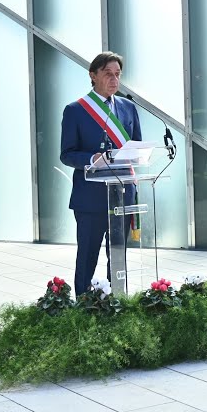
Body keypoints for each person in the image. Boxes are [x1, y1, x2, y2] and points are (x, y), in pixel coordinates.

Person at [60, 51, 143, 294]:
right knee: (87, 255)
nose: (114, 79)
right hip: (90, 198)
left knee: (117, 255)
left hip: (122, 194)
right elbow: (67, 154)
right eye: (108, 74)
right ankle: (83, 305)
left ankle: (117, 300)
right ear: (93, 75)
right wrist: (91, 158)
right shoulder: (75, 110)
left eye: (117, 74)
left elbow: (135, 146)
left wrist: (141, 153)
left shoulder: (128, 108)